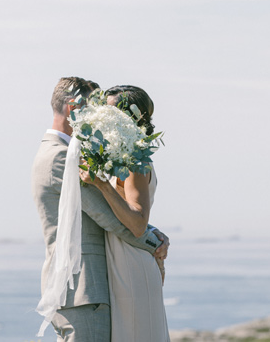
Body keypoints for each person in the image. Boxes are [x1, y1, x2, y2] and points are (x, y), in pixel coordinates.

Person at [32, 77, 169, 341]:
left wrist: (152, 233)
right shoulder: (61, 157)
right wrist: (155, 243)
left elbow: (127, 214)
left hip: (105, 278)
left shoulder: (120, 158)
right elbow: (112, 218)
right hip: (83, 285)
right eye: (94, 108)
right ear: (73, 108)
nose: (96, 118)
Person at [80, 85, 169, 341]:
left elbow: (139, 223)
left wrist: (101, 184)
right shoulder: (118, 155)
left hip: (132, 265)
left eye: (110, 112)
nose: (103, 118)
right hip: (120, 262)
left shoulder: (134, 159)